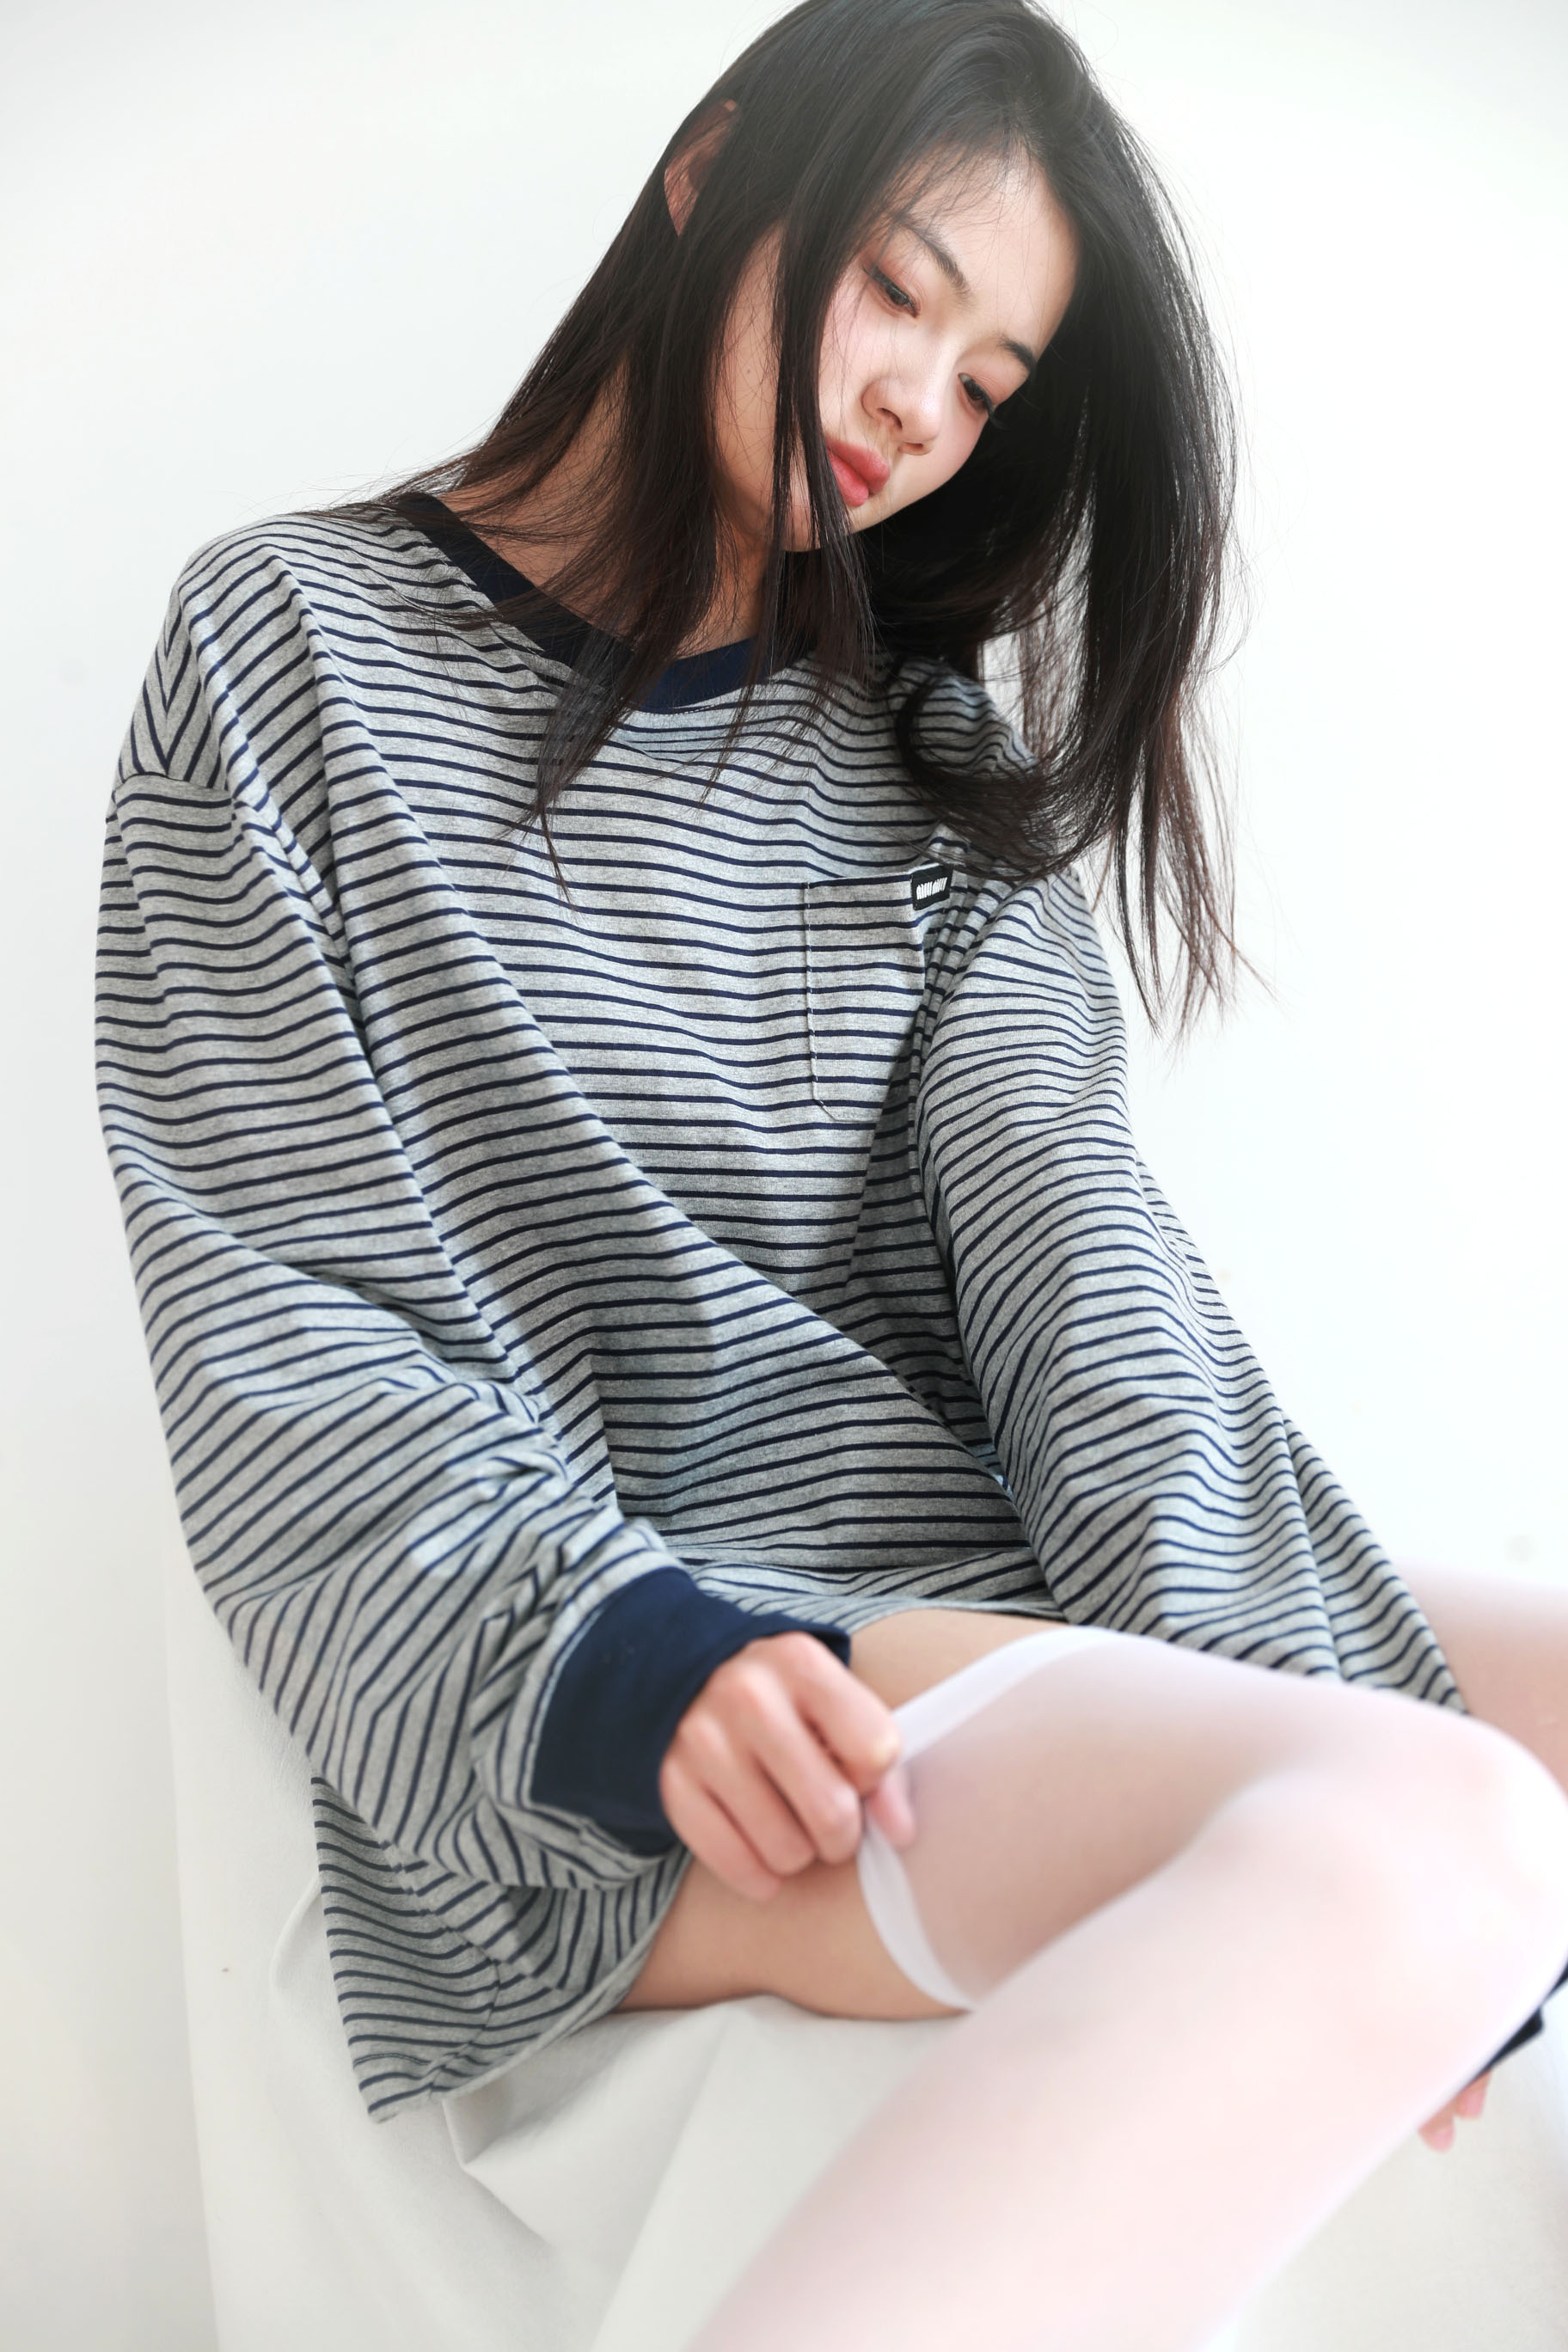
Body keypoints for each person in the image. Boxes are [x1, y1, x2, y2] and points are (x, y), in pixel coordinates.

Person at [95, 2, 1568, 2346]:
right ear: (712, 172)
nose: (916, 410)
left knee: (1457, 1805)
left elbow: (1090, 1284)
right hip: (649, 1682)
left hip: (966, 1605)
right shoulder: (290, 647)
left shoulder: (924, 758)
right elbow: (282, 1305)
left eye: (987, 381)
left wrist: (1279, 1691)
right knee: (1451, 1829)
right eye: (898, 287)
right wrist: (630, 1659)